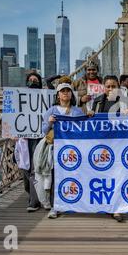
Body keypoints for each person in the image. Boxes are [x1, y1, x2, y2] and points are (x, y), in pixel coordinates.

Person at [42, 83, 85, 219]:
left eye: (68, 91)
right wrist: (49, 122)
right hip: (57, 150)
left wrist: (89, 116)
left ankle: (75, 203)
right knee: (57, 177)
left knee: (76, 175)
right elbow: (43, 131)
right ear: (58, 94)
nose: (65, 93)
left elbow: (84, 129)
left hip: (75, 150)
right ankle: (56, 206)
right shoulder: (52, 110)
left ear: (72, 94)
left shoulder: (77, 111)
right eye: (62, 91)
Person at [87, 75, 125, 222]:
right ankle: (104, 204)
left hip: (119, 144)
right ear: (103, 87)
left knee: (117, 176)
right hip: (101, 144)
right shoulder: (96, 102)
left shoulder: (124, 102)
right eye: (108, 86)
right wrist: (90, 114)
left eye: (113, 86)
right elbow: (90, 121)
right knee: (102, 176)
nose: (110, 89)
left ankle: (116, 208)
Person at [14, 72, 43, 212]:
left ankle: (34, 201)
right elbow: (12, 116)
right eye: (30, 80)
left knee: (34, 169)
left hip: (39, 138)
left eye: (35, 80)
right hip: (24, 138)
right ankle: (31, 193)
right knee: (25, 170)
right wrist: (12, 132)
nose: (32, 82)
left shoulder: (45, 98)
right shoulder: (19, 98)